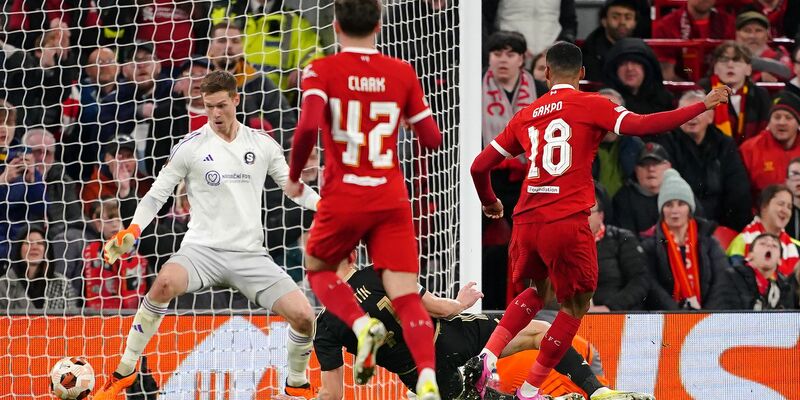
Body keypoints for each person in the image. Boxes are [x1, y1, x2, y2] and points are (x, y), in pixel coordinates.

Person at [466, 40, 731, 400]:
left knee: (535, 291)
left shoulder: (525, 114)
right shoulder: (593, 104)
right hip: (566, 217)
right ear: (582, 74)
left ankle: (486, 355)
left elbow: (479, 166)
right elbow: (644, 124)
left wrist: (490, 202)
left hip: (527, 219)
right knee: (576, 304)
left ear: (545, 73)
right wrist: (703, 104)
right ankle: (530, 390)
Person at [92, 71, 321, 400]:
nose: (215, 113)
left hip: (249, 256)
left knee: (303, 316)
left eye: (221, 105)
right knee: (164, 283)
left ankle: (295, 381)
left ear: (236, 101)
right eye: (208, 106)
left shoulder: (262, 144)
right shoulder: (190, 147)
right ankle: (124, 370)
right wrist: (133, 229)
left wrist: (323, 206)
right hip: (202, 251)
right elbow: (157, 194)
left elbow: (293, 187)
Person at [285, 0, 444, 398]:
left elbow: (306, 128)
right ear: (378, 26)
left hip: (344, 195)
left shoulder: (321, 70)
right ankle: (426, 375)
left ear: (335, 26)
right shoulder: (401, 72)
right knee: (405, 293)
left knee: (318, 269)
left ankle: (359, 325)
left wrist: (293, 176)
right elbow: (432, 139)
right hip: (389, 197)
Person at [313, 258, 651, 400]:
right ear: (350, 256)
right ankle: (598, 392)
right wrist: (461, 302)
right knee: (537, 331)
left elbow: (334, 395)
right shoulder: (377, 273)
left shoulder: (326, 328)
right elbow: (441, 308)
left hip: (424, 375)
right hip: (450, 336)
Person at [653, 90, 752, 231]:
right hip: (679, 223)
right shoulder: (666, 143)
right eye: (686, 111)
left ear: (711, 117)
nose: (692, 117)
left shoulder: (724, 144)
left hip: (719, 224)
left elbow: (737, 190)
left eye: (699, 112)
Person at [640, 169, 737, 311]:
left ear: (690, 209)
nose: (675, 210)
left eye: (681, 204)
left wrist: (706, 315)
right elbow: (651, 286)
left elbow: (723, 281)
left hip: (707, 319)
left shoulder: (709, 242)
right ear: (662, 211)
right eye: (669, 205)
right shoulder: (650, 246)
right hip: (669, 320)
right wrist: (678, 315)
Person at [699, 41, 772, 144]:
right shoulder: (702, 91)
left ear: (748, 69)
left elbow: (764, 131)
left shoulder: (760, 94)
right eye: (724, 60)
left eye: (737, 60)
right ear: (715, 68)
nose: (730, 65)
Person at [0, 224, 79, 311]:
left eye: (40, 243)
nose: (34, 247)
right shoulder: (3, 285)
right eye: (28, 243)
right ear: (19, 248)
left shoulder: (62, 284)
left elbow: (71, 321)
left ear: (46, 250)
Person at [727, 184, 800, 277]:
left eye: (789, 207)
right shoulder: (742, 241)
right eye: (781, 204)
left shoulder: (797, 247)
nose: (785, 210)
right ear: (764, 207)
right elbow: (736, 282)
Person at [739, 91, 800, 200]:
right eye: (776, 117)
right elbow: (741, 193)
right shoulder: (750, 149)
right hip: (762, 214)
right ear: (769, 121)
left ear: (798, 123)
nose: (781, 122)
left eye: (788, 117)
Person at [728, 233, 798, 310]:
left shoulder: (785, 289)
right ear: (750, 255)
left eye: (774, 246)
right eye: (762, 243)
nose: (769, 246)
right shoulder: (732, 277)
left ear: (779, 260)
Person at [582, 0, 639, 82]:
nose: (622, 22)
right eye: (615, 17)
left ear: (635, 22)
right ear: (604, 21)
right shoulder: (591, 50)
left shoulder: (642, 50)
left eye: (628, 17)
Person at [734, 11, 793, 82]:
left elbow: (789, 73)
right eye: (747, 31)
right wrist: (758, 77)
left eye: (758, 30)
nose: (752, 36)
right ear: (737, 34)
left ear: (767, 35)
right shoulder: (727, 55)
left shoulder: (779, 55)